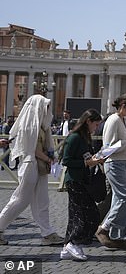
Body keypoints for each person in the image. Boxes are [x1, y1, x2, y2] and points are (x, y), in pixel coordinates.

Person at [0, 94, 65, 246]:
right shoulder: (29, 125)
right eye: (45, 107)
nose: (48, 110)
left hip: (39, 164)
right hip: (30, 164)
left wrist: (51, 157)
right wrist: (49, 159)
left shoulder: (41, 124)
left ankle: (47, 232)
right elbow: (33, 149)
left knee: (42, 200)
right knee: (21, 199)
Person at [95, 93, 126, 250]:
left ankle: (116, 236)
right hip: (114, 163)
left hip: (123, 162)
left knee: (118, 200)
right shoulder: (113, 120)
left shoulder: (123, 120)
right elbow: (108, 147)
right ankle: (104, 228)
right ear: (123, 106)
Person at [60, 109, 105, 261]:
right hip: (74, 180)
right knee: (89, 215)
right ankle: (74, 242)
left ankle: (67, 246)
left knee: (75, 215)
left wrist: (97, 158)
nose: (96, 128)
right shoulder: (74, 137)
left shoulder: (85, 137)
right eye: (96, 124)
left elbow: (87, 156)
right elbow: (66, 160)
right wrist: (87, 162)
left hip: (83, 180)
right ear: (88, 122)